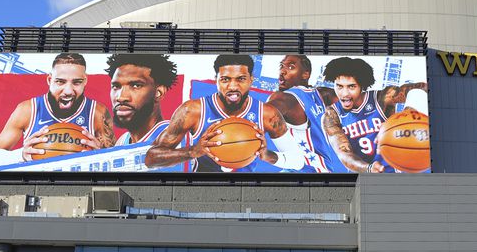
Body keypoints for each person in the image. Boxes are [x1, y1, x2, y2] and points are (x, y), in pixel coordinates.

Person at [145, 53, 302, 172]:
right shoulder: (192, 111)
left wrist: (268, 155)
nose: (233, 87)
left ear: (251, 80)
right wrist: (192, 151)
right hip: (202, 191)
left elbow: (298, 160)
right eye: (225, 79)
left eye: (240, 79)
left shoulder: (268, 114)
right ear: (216, 80)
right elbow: (151, 158)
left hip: (250, 194)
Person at [0, 52, 113, 166]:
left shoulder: (97, 112)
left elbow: (118, 161)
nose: (68, 91)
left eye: (76, 82)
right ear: (49, 80)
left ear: (85, 81)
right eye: (60, 82)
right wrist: (21, 155)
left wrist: (101, 156)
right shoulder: (28, 109)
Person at [266, 54, 374, 173]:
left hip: (304, 171)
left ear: (305, 74)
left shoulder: (285, 97)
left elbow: (266, 113)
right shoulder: (324, 95)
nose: (282, 71)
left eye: (291, 67)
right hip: (323, 171)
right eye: (281, 66)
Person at [322, 56, 428, 171]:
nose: (345, 93)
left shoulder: (382, 98)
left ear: (362, 86)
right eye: (339, 86)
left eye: (351, 87)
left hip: (399, 169)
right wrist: (368, 168)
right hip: (369, 176)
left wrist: (403, 120)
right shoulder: (331, 116)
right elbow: (344, 153)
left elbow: (422, 88)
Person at [105, 52, 178, 146]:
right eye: (116, 86)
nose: (121, 97)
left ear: (158, 92)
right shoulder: (122, 142)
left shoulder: (174, 138)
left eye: (136, 86)